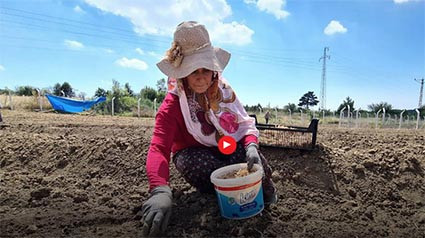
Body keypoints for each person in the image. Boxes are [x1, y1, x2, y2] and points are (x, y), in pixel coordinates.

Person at [141, 21, 277, 237]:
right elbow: (158, 148)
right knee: (197, 165)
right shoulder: (172, 105)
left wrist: (251, 146)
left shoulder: (223, 92)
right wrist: (159, 189)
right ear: (182, 73)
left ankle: (260, 192)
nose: (201, 77)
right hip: (195, 155)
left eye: (207, 69)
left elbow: (243, 124)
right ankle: (218, 197)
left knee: (255, 163)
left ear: (215, 70)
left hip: (226, 147)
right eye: (194, 70)